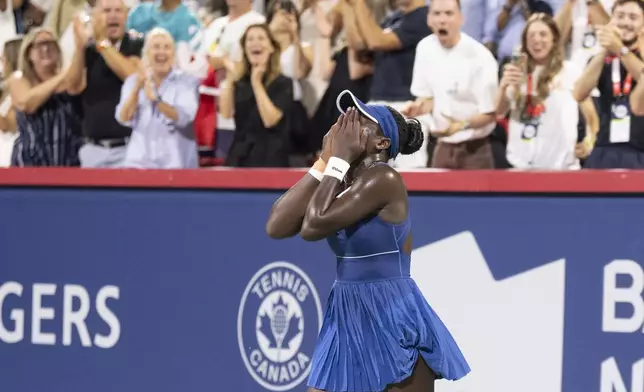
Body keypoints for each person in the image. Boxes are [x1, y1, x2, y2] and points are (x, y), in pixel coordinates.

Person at [265, 89, 470, 391]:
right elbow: (277, 225)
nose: (344, 125)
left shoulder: (384, 179)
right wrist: (324, 161)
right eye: (344, 118)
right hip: (345, 310)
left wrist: (336, 161)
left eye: (358, 120)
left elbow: (313, 225)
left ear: (381, 143)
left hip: (389, 311)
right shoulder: (340, 180)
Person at [67, 0, 143, 168]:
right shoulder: (88, 50)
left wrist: (102, 43)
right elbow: (72, 87)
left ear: (125, 16)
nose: (113, 15)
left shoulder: (137, 44)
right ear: (95, 17)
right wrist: (79, 48)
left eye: (118, 10)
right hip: (93, 149)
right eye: (107, 11)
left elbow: (133, 77)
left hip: (130, 148)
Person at [115, 27, 200, 169]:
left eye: (166, 47)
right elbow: (123, 118)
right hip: (139, 164)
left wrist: (156, 101)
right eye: (156, 47)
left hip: (176, 165)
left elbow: (184, 117)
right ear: (146, 53)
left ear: (173, 54)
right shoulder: (133, 81)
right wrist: (137, 87)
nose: (161, 52)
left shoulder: (187, 82)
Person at [220, 23, 293, 167]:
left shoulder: (283, 83)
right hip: (240, 156)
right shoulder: (239, 82)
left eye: (261, 38)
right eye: (250, 39)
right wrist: (229, 79)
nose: (255, 43)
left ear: (271, 47)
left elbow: (270, 120)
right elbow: (225, 113)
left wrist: (256, 83)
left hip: (270, 157)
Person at [10, 27, 83, 166]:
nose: (45, 49)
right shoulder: (19, 79)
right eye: (39, 45)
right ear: (28, 53)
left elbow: (77, 86)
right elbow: (26, 103)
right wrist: (63, 75)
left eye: (50, 44)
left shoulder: (68, 81)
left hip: (67, 160)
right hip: (30, 161)